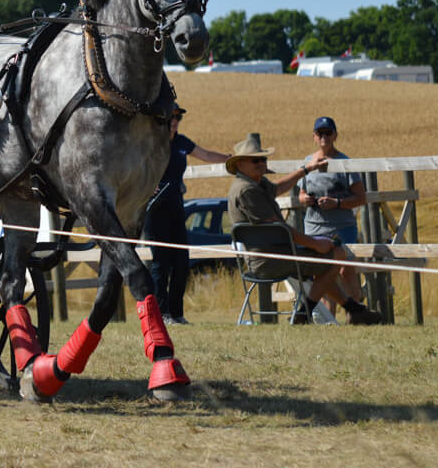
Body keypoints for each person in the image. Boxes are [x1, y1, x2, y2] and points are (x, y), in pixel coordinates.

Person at [226, 135, 382, 325]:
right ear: (240, 164)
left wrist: (306, 169)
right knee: (338, 255)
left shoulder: (255, 183)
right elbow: (279, 229)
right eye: (255, 160)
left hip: (272, 256)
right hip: (270, 260)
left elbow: (278, 188)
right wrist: (315, 244)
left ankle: (354, 310)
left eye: (263, 159)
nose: (261, 163)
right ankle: (305, 313)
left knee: (325, 263)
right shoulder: (247, 191)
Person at [144, 104, 230, 325]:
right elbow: (136, 167)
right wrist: (147, 185)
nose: (175, 121)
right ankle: (161, 313)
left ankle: (177, 313)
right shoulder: (151, 142)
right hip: (155, 209)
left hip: (176, 207)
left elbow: (207, 155)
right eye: (171, 117)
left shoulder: (182, 142)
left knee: (181, 262)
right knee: (160, 263)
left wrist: (231, 159)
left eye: (178, 118)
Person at [298, 116, 366, 316]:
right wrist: (305, 200)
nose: (324, 137)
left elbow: (360, 197)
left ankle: (355, 315)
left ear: (335, 135)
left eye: (328, 133)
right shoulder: (307, 163)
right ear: (314, 136)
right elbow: (300, 193)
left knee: (345, 269)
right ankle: (329, 318)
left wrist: (336, 203)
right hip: (314, 226)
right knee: (321, 271)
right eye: (320, 133)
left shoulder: (345, 163)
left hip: (341, 227)